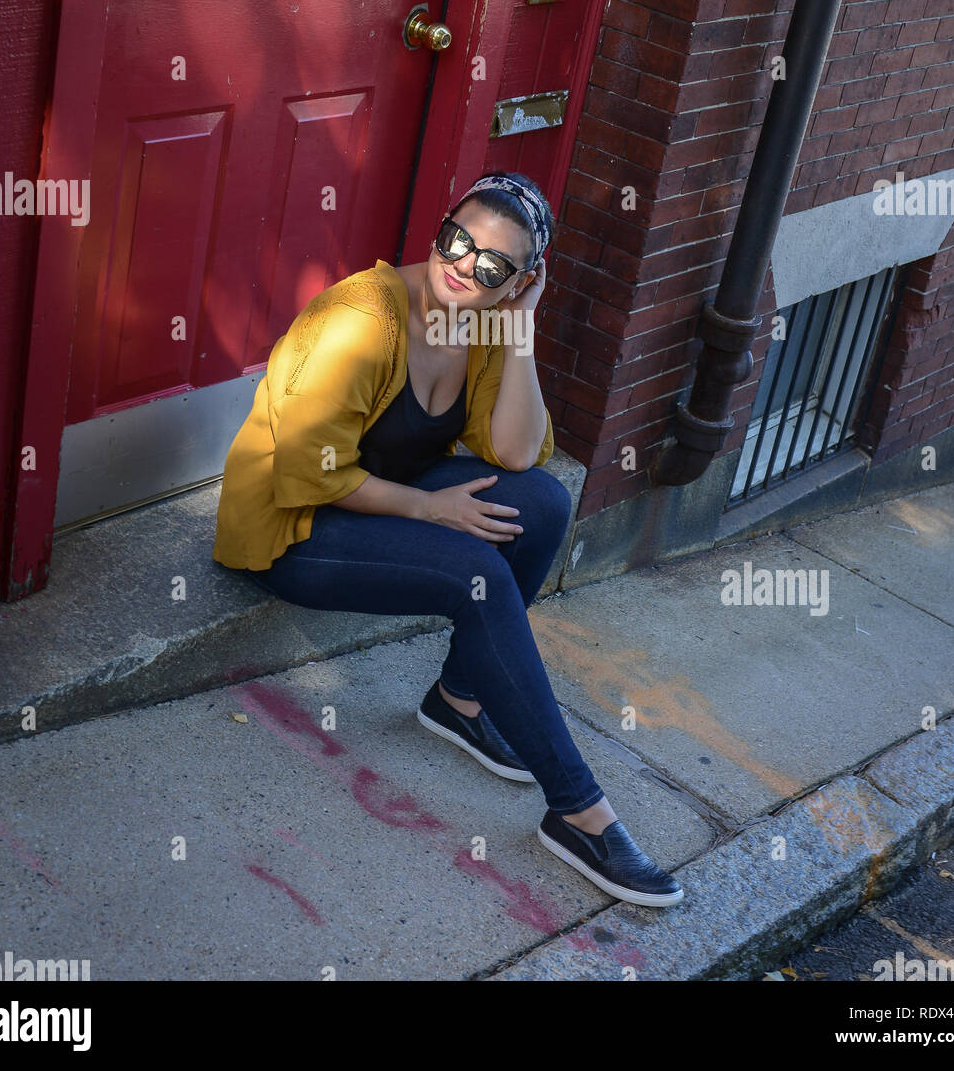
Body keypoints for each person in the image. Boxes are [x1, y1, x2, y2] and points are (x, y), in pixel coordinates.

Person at [212, 171, 683, 907]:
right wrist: (431, 512)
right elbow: (307, 467)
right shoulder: (362, 320)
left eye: (492, 265)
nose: (462, 265)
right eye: (455, 240)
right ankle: (579, 812)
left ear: (522, 281)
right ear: (440, 229)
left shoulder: (486, 322)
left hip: (378, 501)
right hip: (297, 524)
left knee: (544, 504)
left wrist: (518, 332)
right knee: (478, 575)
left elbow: (518, 454)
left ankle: (457, 701)